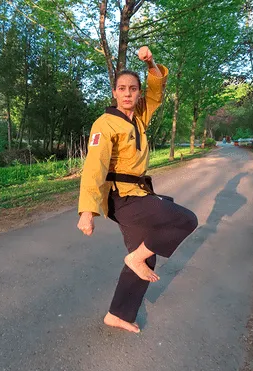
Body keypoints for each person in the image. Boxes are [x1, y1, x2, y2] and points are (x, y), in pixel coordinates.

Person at [76, 46, 198, 333]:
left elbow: (157, 90)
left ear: (138, 93)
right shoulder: (104, 124)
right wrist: (87, 212)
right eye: (122, 88)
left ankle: (118, 313)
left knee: (147, 254)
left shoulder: (139, 116)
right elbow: (94, 167)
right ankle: (134, 258)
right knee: (185, 220)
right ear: (115, 93)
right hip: (122, 197)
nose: (128, 93)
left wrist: (151, 62)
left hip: (139, 194)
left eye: (133, 88)